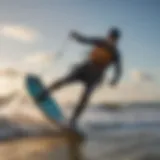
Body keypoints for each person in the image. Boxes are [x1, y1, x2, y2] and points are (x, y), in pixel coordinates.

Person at [38, 27, 123, 129]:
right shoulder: (100, 41)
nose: (112, 39)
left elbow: (118, 69)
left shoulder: (115, 53)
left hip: (96, 76)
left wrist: (115, 79)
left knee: (84, 98)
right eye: (111, 36)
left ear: (117, 40)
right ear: (108, 36)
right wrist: (76, 36)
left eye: (114, 38)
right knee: (66, 80)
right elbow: (85, 40)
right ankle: (44, 93)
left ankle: (73, 121)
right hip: (85, 67)